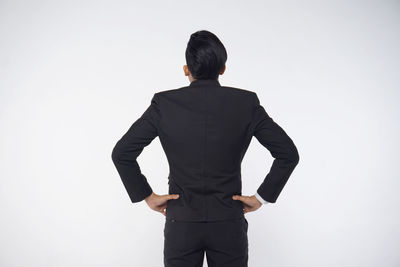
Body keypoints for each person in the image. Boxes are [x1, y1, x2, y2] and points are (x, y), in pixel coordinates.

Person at [111, 29, 300, 267]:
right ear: (222, 69)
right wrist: (261, 197)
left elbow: (122, 153)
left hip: (181, 223)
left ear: (186, 69)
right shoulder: (246, 103)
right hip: (229, 222)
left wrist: (146, 195)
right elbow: (288, 153)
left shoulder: (164, 104)